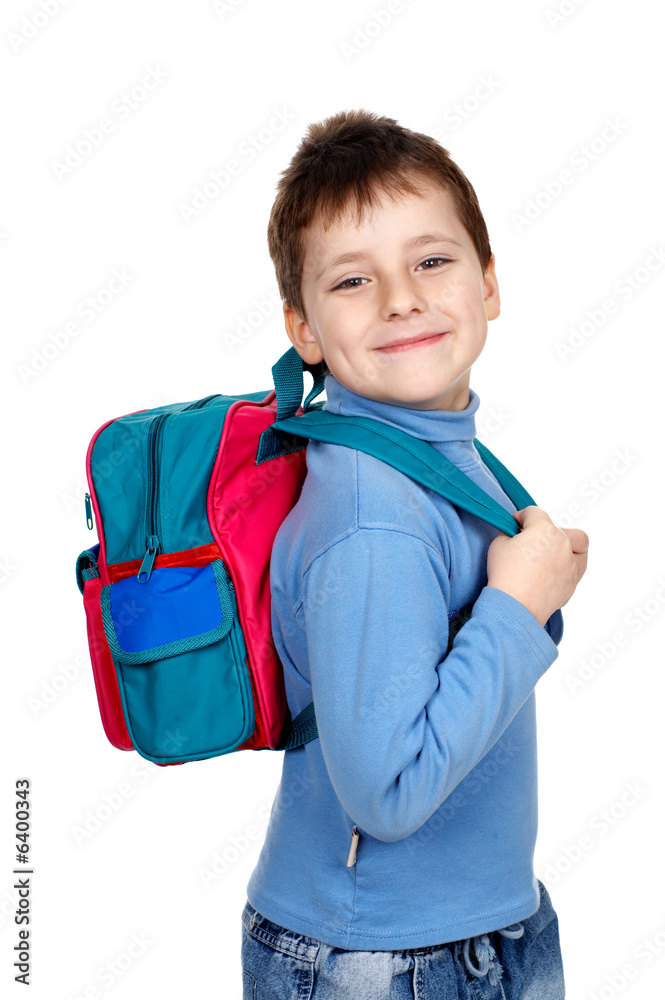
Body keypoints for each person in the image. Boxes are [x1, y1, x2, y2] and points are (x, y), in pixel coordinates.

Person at [241, 108, 589, 999]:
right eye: (353, 280)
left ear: (488, 282)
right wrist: (518, 609)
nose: (401, 297)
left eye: (431, 261)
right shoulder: (373, 519)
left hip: (469, 928)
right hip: (388, 959)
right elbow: (387, 793)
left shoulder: (435, 451)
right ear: (305, 330)